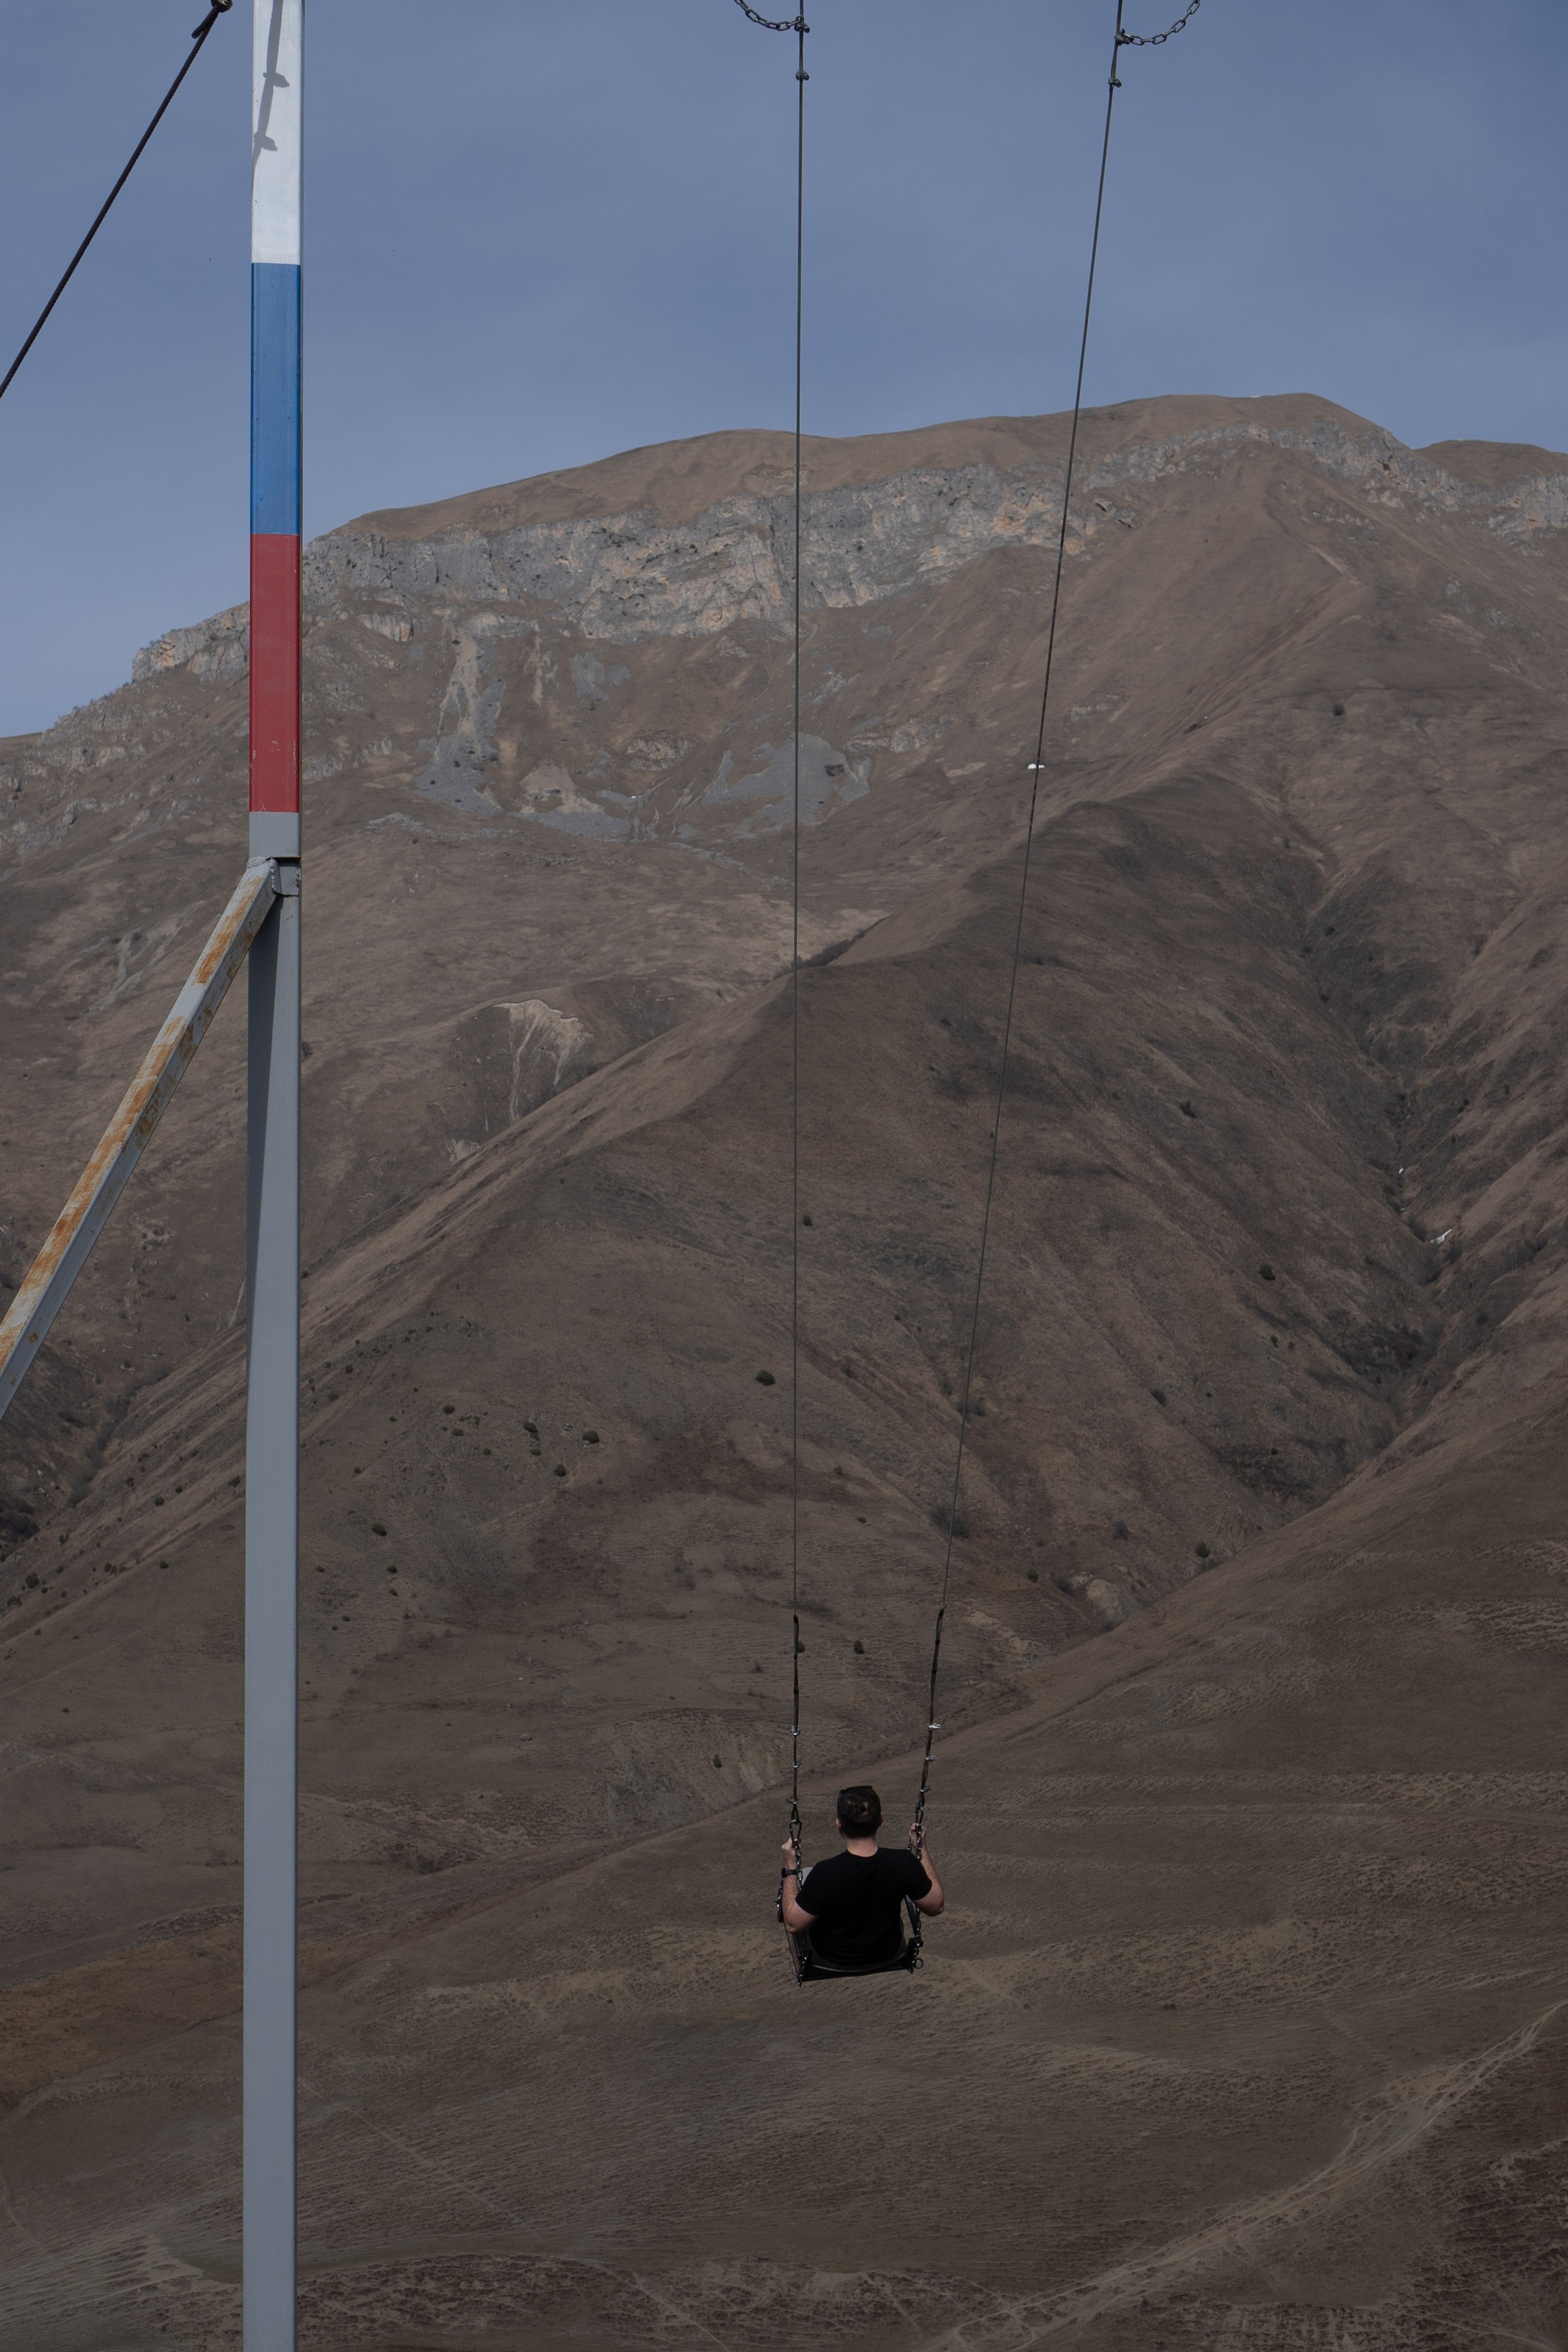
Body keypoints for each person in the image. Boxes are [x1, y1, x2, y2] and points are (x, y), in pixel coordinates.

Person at [778, 1783, 944, 1970]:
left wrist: (790, 1868)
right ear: (881, 1821)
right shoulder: (904, 1863)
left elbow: (793, 1925)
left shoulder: (825, 1873)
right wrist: (921, 1847)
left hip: (832, 1959)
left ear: (839, 1826)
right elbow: (936, 1906)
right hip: (889, 1953)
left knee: (804, 1875)